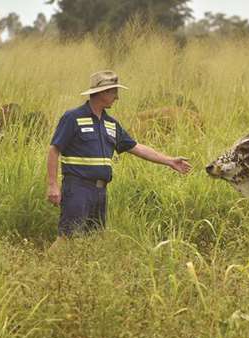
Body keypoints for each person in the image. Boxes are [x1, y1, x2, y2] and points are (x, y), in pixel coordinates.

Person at [46, 70, 191, 243]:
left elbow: (136, 147)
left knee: (94, 240)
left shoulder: (111, 124)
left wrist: (169, 161)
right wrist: (53, 185)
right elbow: (54, 150)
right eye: (114, 92)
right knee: (67, 239)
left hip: (100, 192)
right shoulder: (73, 118)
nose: (117, 97)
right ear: (101, 93)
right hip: (77, 189)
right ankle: (47, 267)